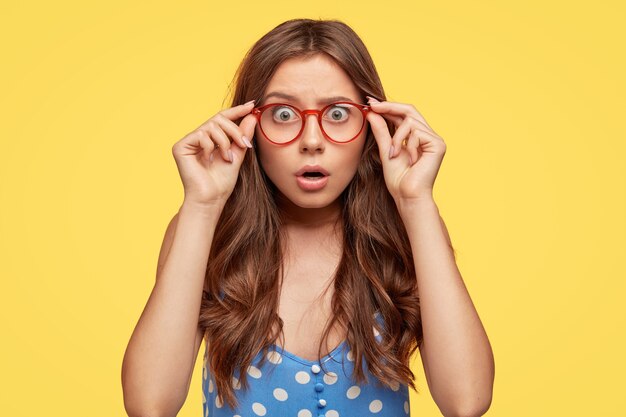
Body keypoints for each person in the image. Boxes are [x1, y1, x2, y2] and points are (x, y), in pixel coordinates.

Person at [122, 18, 494, 417]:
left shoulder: (410, 227)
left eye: (337, 113)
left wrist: (417, 202)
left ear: (372, 125)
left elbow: (466, 401)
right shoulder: (205, 229)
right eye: (283, 114)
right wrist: (201, 206)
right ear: (249, 126)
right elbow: (149, 404)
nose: (312, 142)